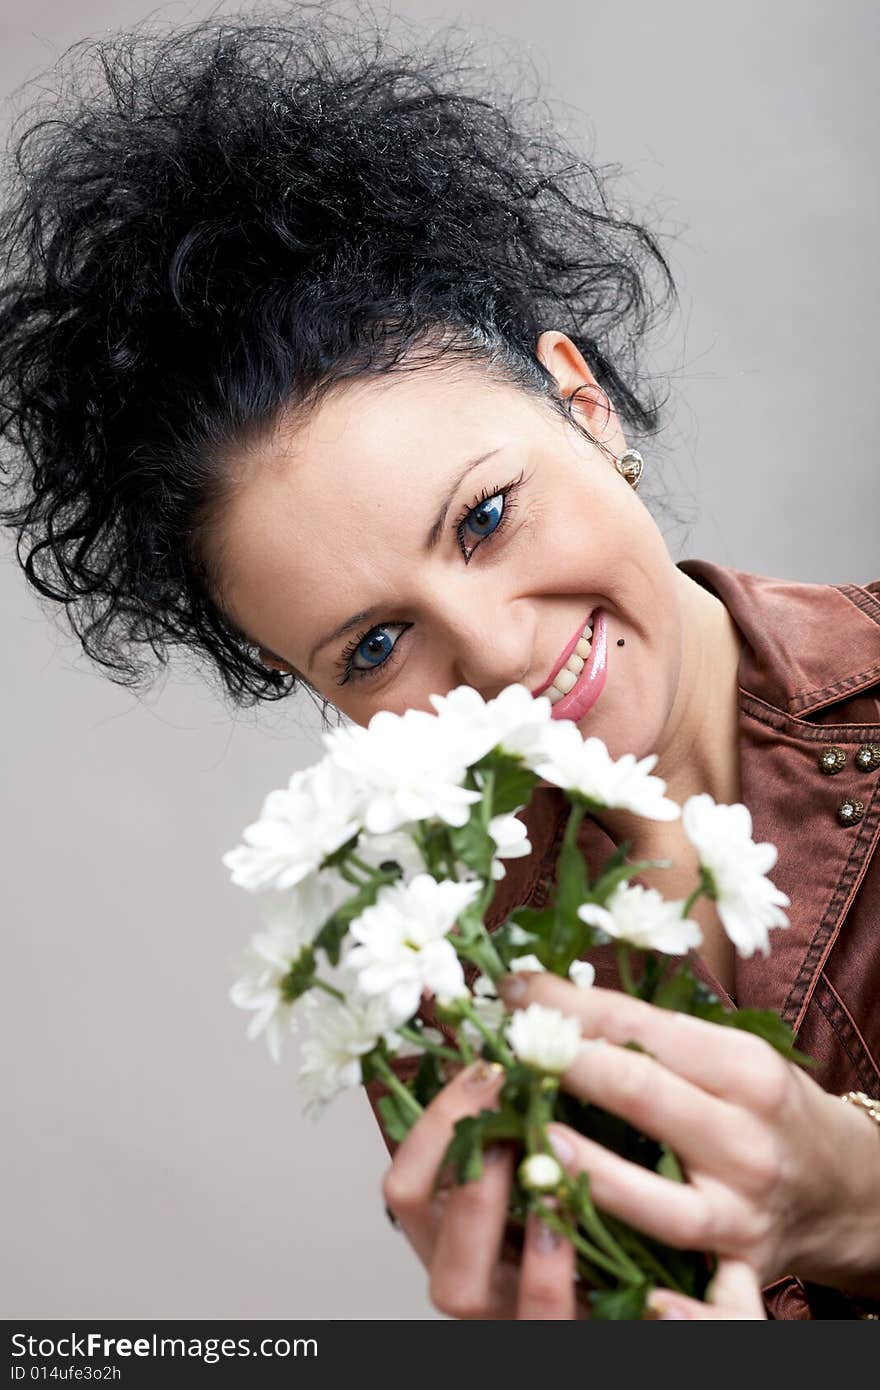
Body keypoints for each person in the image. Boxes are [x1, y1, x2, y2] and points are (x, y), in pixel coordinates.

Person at [1, 10, 878, 1321]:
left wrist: (857, 1197)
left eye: (484, 516)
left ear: (583, 406)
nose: (504, 653)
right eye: (373, 643)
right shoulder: (442, 1005)